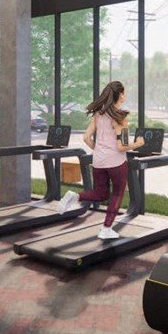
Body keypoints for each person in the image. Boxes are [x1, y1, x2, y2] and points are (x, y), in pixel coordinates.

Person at [60, 81, 144, 239]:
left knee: (101, 193)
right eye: (124, 93)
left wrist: (99, 150)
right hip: (116, 162)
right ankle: (106, 229)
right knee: (117, 193)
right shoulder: (120, 117)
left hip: (98, 161)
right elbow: (122, 146)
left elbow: (86, 138)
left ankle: (75, 196)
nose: (125, 96)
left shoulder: (98, 114)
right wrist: (138, 144)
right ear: (120, 95)